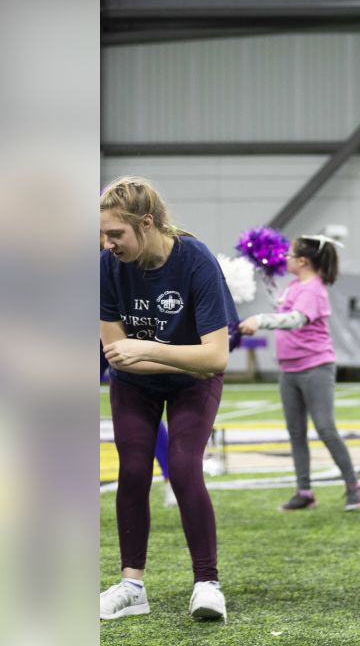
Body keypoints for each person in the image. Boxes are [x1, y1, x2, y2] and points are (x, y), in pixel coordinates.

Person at [99, 176, 236, 621]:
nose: (107, 243)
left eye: (115, 234)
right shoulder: (105, 266)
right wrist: (180, 357)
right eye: (102, 234)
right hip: (137, 384)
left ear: (147, 222)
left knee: (182, 465)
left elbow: (215, 359)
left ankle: (207, 583)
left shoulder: (195, 260)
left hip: (193, 385)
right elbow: (116, 357)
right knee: (133, 470)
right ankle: (131, 586)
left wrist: (149, 349)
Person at [239, 234, 360, 512]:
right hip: (289, 370)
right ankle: (304, 491)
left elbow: (295, 320)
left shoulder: (313, 289)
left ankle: (354, 487)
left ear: (303, 261)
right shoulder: (296, 286)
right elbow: (281, 304)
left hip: (315, 368)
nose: (284, 259)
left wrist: (259, 320)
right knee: (296, 432)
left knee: (325, 428)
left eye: (289, 255)